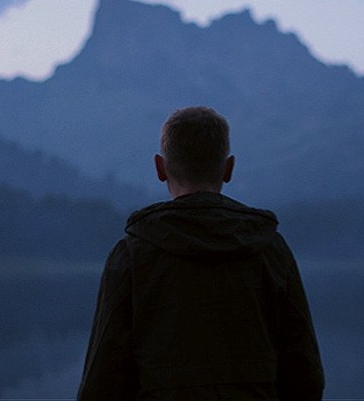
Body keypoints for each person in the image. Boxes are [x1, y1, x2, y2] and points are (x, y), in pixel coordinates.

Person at [77, 106, 324, 400]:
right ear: (228, 168)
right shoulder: (270, 248)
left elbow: (102, 380)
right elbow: (306, 375)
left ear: (160, 168)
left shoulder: (131, 255)